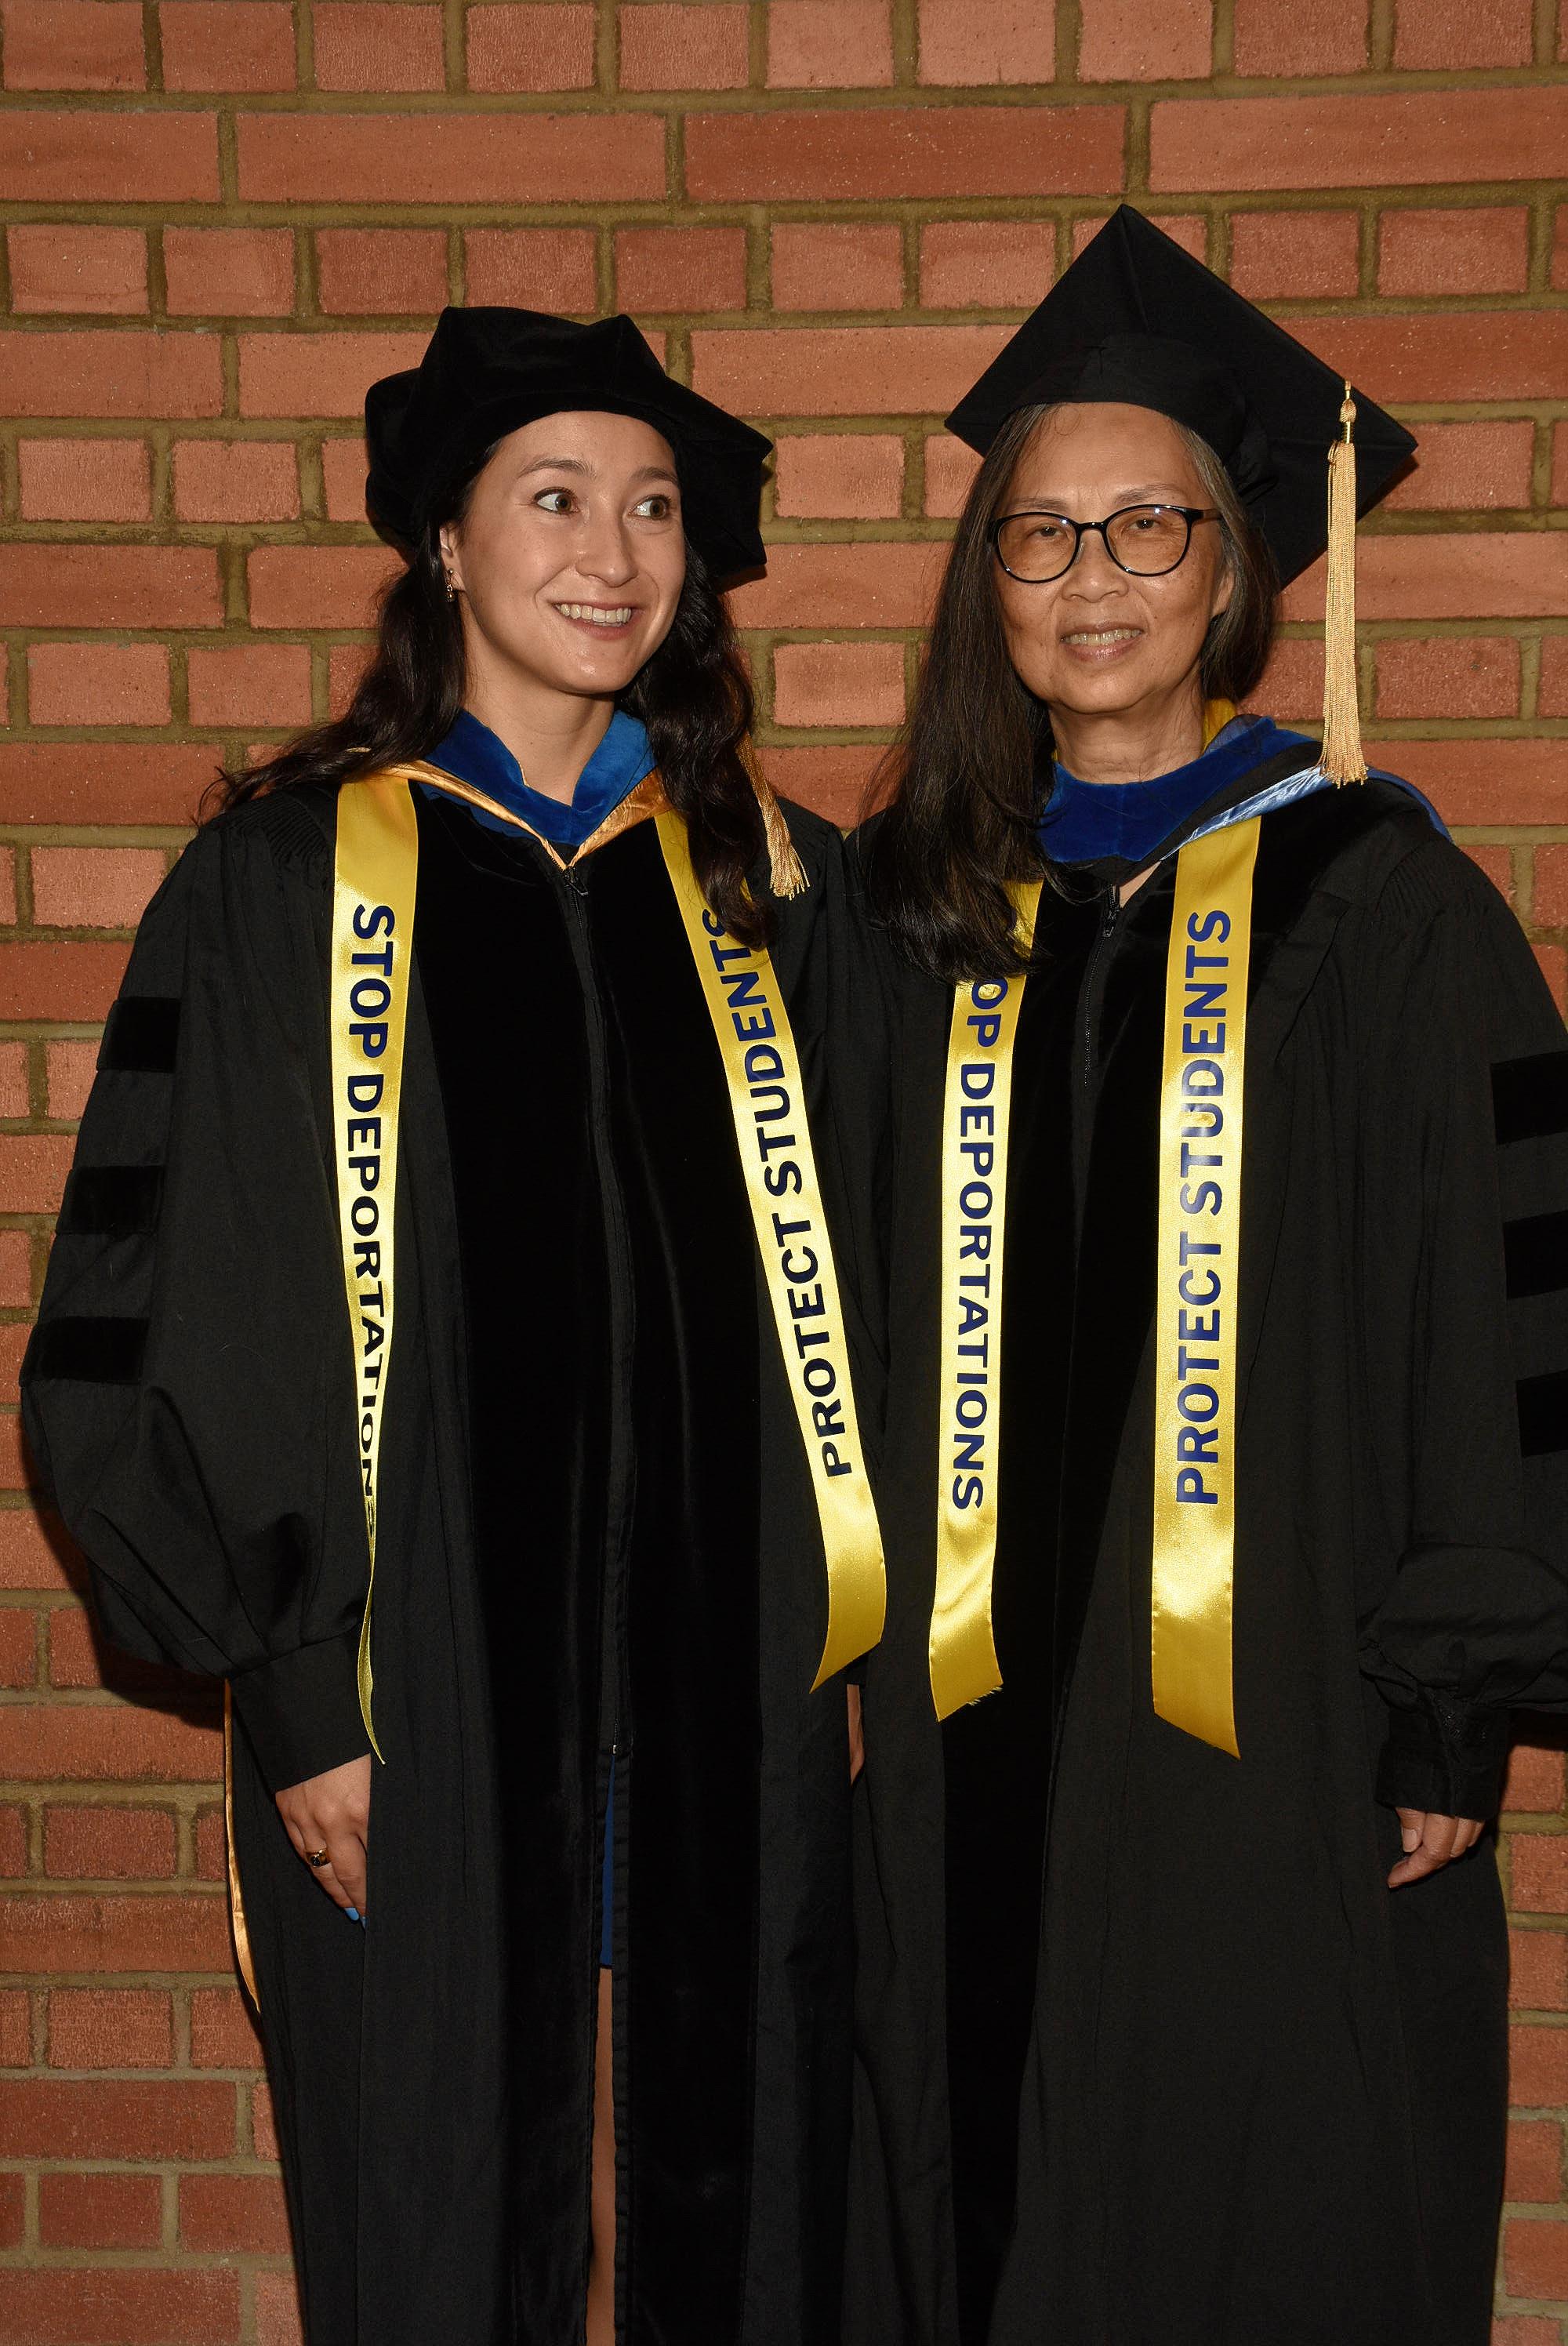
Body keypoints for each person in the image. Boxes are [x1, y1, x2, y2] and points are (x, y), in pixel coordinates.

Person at [22, 307, 887, 2346]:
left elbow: (890, 1301)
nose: (612, 550)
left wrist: (852, 1651)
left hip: (729, 1692)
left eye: (653, 506)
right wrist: (298, 1688)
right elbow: (184, 1301)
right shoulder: (283, 889)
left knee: (727, 2208)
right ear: (447, 543)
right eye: (555, 498)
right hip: (417, 1695)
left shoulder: (781, 895)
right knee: (449, 2211)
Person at [847, 208, 1568, 2346]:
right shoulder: (908, 919)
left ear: (1238, 567)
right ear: (989, 583)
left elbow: (1490, 1307)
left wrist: (1450, 1702)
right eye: (1039, 534)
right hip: (960, 1710)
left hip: (1277, 1710)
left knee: (1269, 2187)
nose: (1091, 577)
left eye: (1146, 525)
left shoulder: (1384, 906)